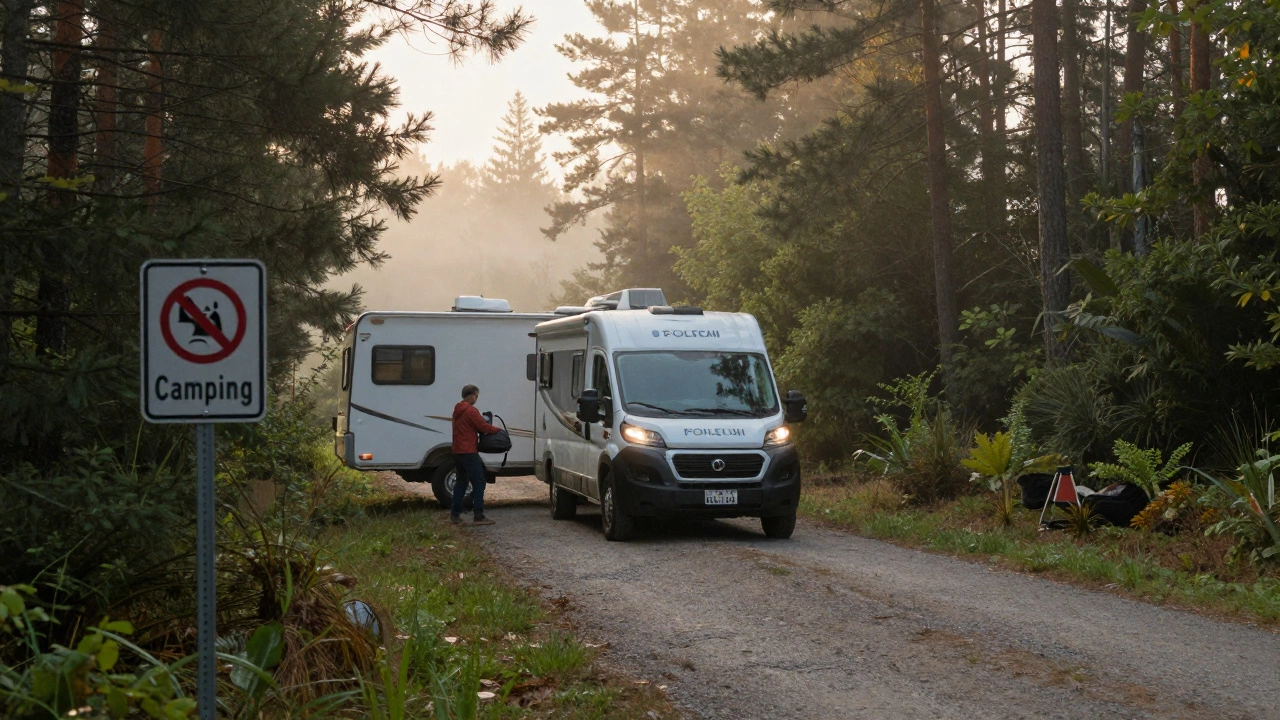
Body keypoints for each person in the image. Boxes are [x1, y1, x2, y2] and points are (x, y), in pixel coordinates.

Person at [451, 384, 500, 525]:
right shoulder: (471, 411)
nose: (476, 399)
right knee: (479, 481)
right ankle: (478, 515)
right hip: (469, 452)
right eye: (476, 396)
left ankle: (455, 514)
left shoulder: (457, 410)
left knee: (461, 482)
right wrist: (497, 430)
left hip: (457, 451)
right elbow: (482, 427)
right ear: (471, 395)